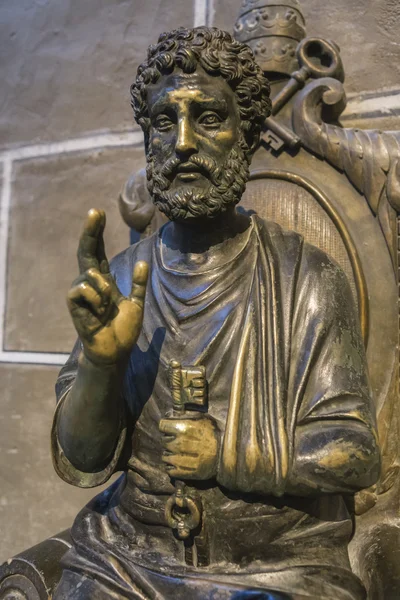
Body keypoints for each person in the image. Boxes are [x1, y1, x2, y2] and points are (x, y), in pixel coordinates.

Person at [52, 27, 380, 600]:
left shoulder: (310, 280)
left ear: (245, 135)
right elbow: (82, 461)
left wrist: (226, 455)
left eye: (207, 118)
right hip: (125, 555)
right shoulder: (124, 280)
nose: (182, 142)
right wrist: (102, 368)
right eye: (163, 122)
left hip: (275, 566)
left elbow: (353, 454)